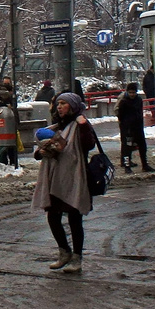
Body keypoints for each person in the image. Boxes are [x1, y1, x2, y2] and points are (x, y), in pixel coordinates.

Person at [32, 93, 96, 275]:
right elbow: (39, 152)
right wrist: (41, 152)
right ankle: (64, 252)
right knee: (52, 215)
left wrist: (83, 126)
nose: (59, 107)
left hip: (74, 177)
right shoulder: (55, 127)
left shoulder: (80, 125)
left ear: (73, 106)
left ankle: (77, 258)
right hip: (55, 178)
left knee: (74, 217)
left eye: (63, 104)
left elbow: (88, 145)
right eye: (57, 103)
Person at [116, 81, 153, 173]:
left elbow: (140, 112)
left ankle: (145, 165)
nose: (132, 94)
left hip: (138, 127)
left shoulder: (139, 100)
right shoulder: (124, 102)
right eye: (130, 92)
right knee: (127, 148)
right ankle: (127, 167)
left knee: (142, 147)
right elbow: (120, 115)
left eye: (134, 92)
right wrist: (125, 125)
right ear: (127, 92)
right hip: (128, 128)